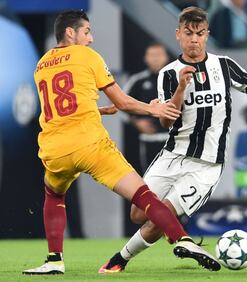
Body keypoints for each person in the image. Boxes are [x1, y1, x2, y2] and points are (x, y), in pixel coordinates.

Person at [22, 10, 219, 275]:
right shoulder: (88, 56)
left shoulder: (41, 64)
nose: (90, 39)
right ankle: (181, 238)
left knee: (54, 195)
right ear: (71, 32)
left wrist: (98, 111)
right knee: (143, 194)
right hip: (90, 146)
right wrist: (155, 110)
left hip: (55, 148)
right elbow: (123, 102)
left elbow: (57, 108)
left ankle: (54, 259)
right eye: (86, 32)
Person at [99, 6, 247, 273]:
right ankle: (181, 239)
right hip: (173, 155)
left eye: (200, 33)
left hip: (206, 165)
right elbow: (166, 122)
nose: (194, 39)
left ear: (207, 35)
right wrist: (181, 88)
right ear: (178, 35)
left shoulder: (224, 66)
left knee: (161, 216)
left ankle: (118, 260)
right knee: (138, 214)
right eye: (189, 33)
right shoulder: (168, 73)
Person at [123, 43, 170, 175]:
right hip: (149, 141)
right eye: (152, 55)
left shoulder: (177, 79)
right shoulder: (137, 81)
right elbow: (120, 105)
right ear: (145, 58)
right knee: (151, 179)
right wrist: (136, 121)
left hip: (175, 140)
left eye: (159, 55)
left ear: (166, 57)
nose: (156, 59)